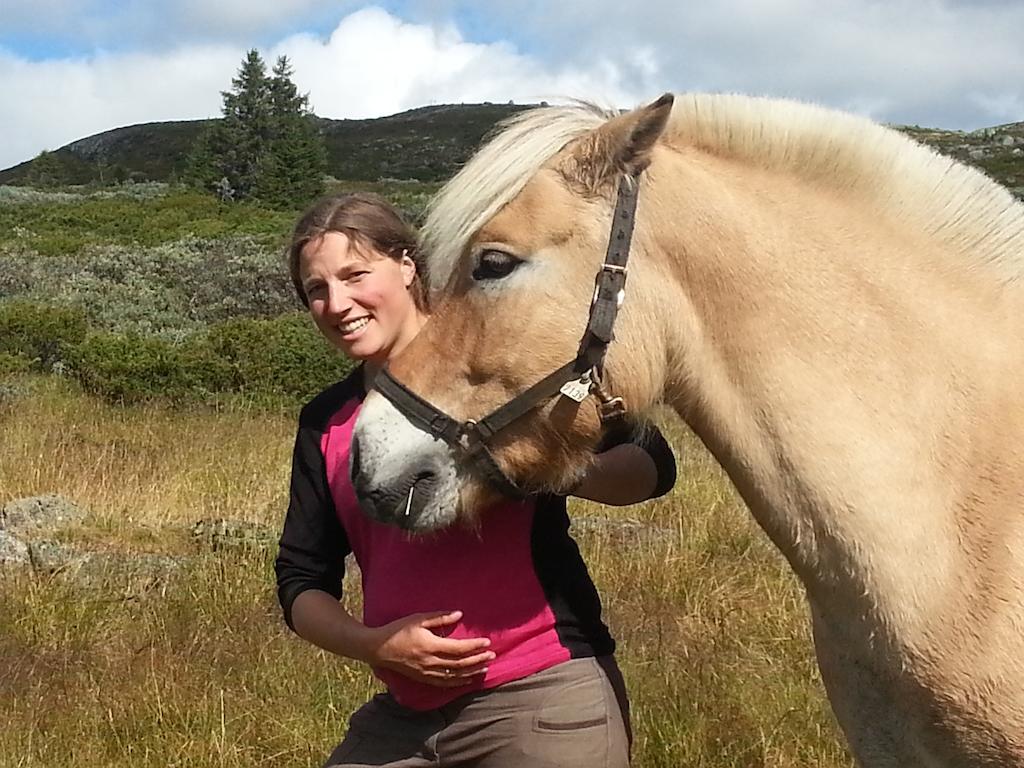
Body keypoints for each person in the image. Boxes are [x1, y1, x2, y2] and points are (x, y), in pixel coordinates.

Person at [275, 193, 677, 768]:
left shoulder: (499, 371)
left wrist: (540, 462)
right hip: (403, 718)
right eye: (317, 289)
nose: (337, 303)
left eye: (355, 275)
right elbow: (301, 578)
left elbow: (651, 468)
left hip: (541, 698)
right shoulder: (327, 421)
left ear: (408, 264)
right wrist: (377, 646)